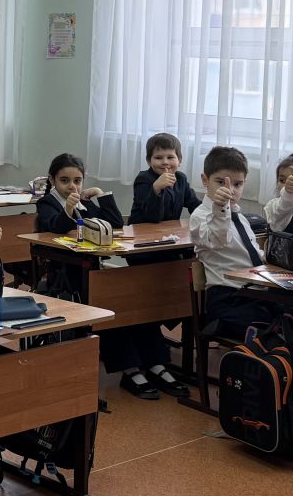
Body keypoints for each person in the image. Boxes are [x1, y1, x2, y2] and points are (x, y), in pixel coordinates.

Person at [36, 153, 183, 399]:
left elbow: (114, 223)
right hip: (67, 278)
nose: (72, 187)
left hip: (94, 272)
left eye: (77, 181)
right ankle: (130, 369)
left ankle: (156, 363)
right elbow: (55, 227)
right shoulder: (47, 203)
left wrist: (100, 194)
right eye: (64, 180)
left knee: (134, 301)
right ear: (52, 180)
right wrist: (68, 209)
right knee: (110, 304)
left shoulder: (83, 202)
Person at [188, 145, 277, 340]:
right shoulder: (200, 216)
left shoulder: (241, 218)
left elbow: (252, 255)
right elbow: (218, 239)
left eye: (237, 184)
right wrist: (220, 209)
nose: (230, 190)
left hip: (254, 292)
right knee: (270, 327)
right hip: (227, 296)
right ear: (205, 180)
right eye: (221, 182)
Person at [130, 133, 200, 225]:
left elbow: (194, 204)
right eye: (158, 158)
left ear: (179, 160)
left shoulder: (181, 178)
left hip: (168, 230)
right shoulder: (143, 179)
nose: (165, 162)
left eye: (170, 157)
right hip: (142, 229)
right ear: (149, 161)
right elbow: (152, 216)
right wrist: (156, 189)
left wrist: (212, 210)